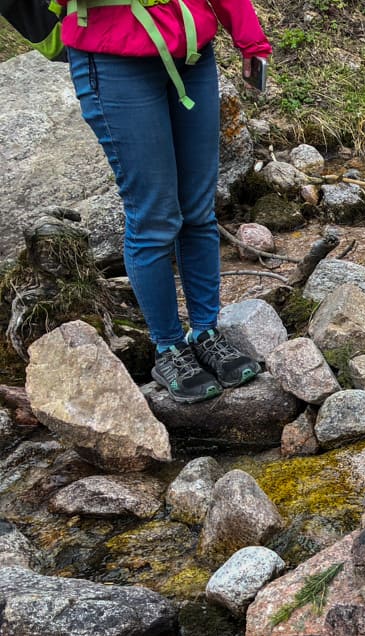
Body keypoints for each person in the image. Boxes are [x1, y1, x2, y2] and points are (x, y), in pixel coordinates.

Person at [61, 0, 272, 402]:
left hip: (192, 52)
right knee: (154, 217)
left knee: (197, 210)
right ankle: (169, 346)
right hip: (113, 59)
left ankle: (206, 331)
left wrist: (250, 40)